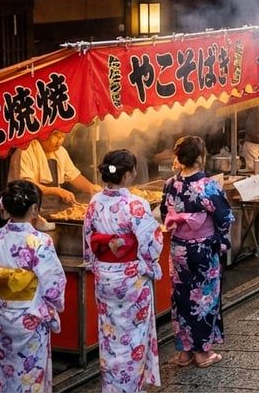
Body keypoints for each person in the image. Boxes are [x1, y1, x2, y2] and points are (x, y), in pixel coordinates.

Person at [84, 149, 164, 392]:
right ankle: (130, 387)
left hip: (105, 277)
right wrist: (149, 264)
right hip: (131, 278)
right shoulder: (135, 204)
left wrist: (93, 263)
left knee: (110, 334)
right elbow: (152, 242)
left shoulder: (95, 202)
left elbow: (89, 238)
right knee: (134, 334)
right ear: (129, 174)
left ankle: (112, 386)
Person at [0, 180, 66, 393]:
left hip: (3, 316)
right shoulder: (39, 241)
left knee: (6, 373)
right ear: (34, 209)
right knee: (31, 375)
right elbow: (54, 286)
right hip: (30, 317)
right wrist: (54, 307)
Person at [161, 136, 234, 369]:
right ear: (202, 157)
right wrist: (220, 241)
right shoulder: (208, 186)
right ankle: (203, 352)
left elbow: (165, 214)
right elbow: (224, 217)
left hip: (179, 248)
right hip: (203, 248)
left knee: (182, 296)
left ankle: (184, 353)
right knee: (204, 298)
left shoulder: (171, 183)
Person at [11, 130, 100, 207]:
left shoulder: (61, 151)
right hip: (24, 207)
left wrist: (91, 188)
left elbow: (74, 176)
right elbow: (27, 185)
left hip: (52, 208)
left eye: (62, 136)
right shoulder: (25, 151)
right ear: (43, 134)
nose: (60, 141)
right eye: (56, 135)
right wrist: (58, 191)